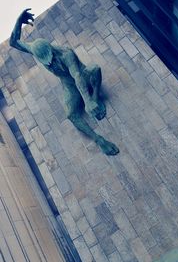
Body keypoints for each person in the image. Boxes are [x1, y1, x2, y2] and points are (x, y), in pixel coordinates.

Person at [10, 9, 119, 155]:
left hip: (82, 76)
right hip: (69, 86)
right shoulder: (35, 49)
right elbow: (14, 42)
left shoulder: (66, 54)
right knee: (71, 115)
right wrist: (19, 21)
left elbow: (77, 77)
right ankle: (99, 140)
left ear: (52, 50)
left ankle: (96, 98)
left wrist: (89, 100)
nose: (50, 64)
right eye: (46, 63)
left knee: (95, 69)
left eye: (51, 59)